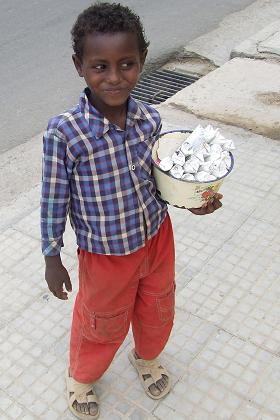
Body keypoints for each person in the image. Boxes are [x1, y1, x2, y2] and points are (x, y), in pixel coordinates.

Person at [40, 3, 223, 419]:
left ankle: (147, 356)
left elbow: (165, 180)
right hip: (105, 254)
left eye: (127, 64)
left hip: (157, 238)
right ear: (79, 66)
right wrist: (52, 256)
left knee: (158, 305)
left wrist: (195, 201)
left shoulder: (150, 120)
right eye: (99, 66)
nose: (114, 77)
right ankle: (83, 376)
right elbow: (53, 199)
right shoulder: (64, 133)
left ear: (142, 61)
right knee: (101, 319)